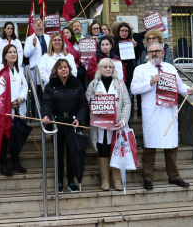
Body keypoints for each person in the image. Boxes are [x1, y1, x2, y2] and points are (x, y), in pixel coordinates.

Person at [131, 42, 193, 190]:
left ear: (163, 53)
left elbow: (179, 86)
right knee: (150, 147)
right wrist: (150, 82)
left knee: (171, 147)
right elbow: (134, 89)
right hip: (152, 113)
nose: (154, 54)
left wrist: (188, 90)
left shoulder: (170, 68)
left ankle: (174, 176)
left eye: (157, 51)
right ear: (147, 54)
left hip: (168, 113)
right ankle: (147, 178)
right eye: (151, 51)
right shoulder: (141, 69)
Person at [41, 59, 88, 193]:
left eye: (65, 67)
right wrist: (46, 115)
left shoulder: (76, 84)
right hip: (57, 124)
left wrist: (79, 118)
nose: (63, 69)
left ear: (69, 69)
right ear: (56, 70)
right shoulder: (50, 86)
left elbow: (83, 104)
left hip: (73, 124)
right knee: (58, 155)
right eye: (60, 67)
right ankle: (60, 182)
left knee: (73, 154)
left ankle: (71, 181)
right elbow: (46, 103)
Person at [86, 58, 131, 191]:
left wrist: (123, 120)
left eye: (110, 67)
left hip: (116, 125)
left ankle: (116, 180)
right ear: (99, 69)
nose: (107, 69)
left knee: (116, 151)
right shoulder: (93, 85)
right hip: (100, 125)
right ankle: (105, 179)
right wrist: (94, 97)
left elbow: (127, 103)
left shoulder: (120, 84)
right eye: (104, 67)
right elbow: (87, 100)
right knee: (103, 150)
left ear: (113, 69)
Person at [0, 44, 28, 176]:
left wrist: (20, 99)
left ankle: (16, 162)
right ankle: (3, 164)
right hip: (5, 109)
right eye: (10, 52)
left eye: (15, 52)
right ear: (5, 55)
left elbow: (25, 87)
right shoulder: (0, 70)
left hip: (18, 109)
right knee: (4, 138)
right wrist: (10, 101)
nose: (13, 54)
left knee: (16, 137)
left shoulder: (19, 70)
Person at [112, 23, 140, 115]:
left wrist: (135, 47)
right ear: (118, 31)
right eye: (122, 30)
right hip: (117, 73)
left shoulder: (132, 41)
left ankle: (129, 116)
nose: (124, 33)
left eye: (126, 31)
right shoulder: (113, 41)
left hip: (129, 73)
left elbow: (137, 57)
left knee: (128, 97)